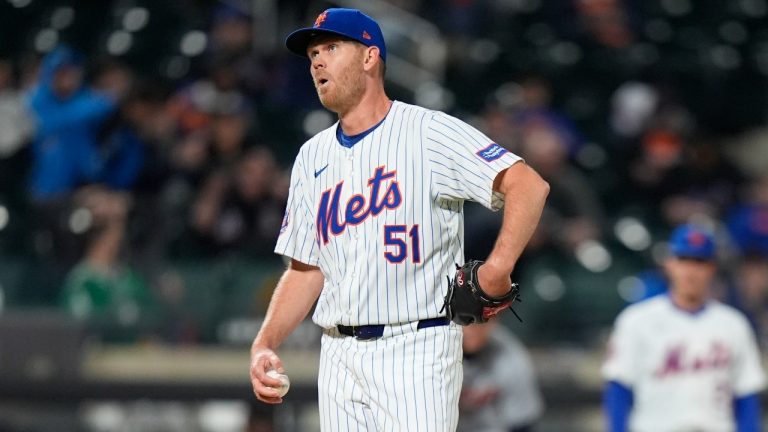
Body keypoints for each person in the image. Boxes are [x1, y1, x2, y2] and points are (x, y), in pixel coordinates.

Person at [248, 7, 549, 431]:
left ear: (370, 57)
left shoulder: (428, 132)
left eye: (331, 48)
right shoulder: (311, 156)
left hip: (415, 346)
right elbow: (306, 268)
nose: (316, 60)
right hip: (337, 353)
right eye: (313, 52)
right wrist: (265, 343)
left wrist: (498, 268)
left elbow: (528, 185)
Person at [602, 224, 766, 432]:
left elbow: (746, 397)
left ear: (712, 268)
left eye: (699, 262)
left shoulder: (734, 324)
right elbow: (618, 390)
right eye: (684, 260)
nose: (691, 270)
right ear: (669, 264)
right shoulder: (636, 320)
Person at [459, 318, 544, 432]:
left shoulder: (512, 356)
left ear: (495, 321)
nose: (474, 328)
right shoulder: (434, 351)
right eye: (468, 320)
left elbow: (523, 424)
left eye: (482, 320)